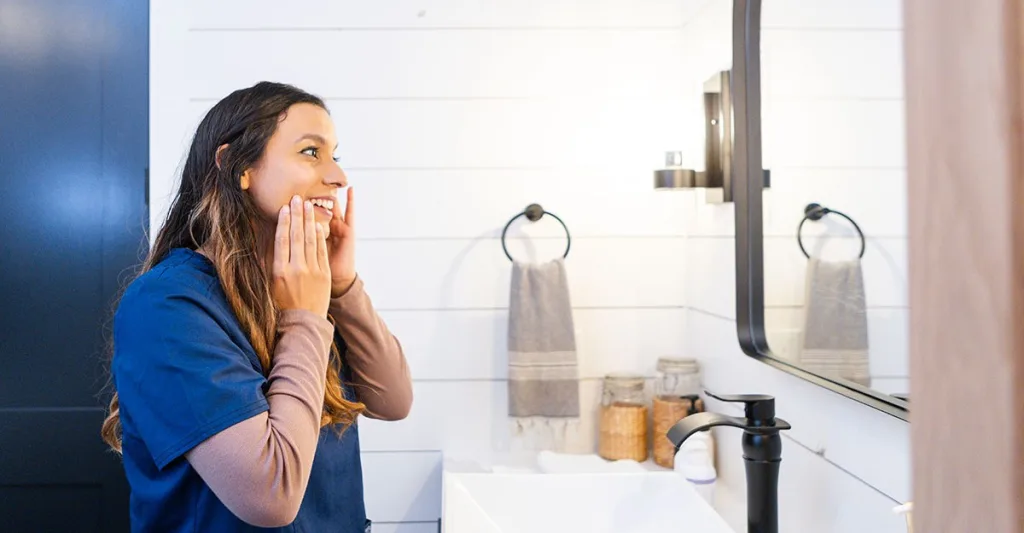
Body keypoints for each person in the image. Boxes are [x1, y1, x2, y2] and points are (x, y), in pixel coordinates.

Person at [100, 81, 413, 532]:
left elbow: (393, 400)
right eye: (311, 152)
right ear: (237, 166)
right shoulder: (169, 305)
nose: (338, 177)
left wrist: (343, 288)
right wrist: (304, 319)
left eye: (335, 156)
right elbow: (271, 497)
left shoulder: (306, 283)